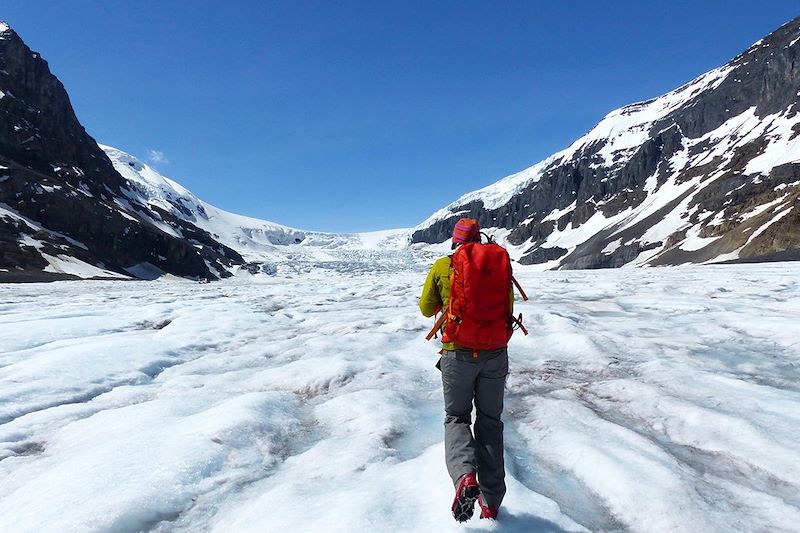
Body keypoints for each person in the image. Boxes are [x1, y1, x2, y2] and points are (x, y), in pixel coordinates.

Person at [419, 218, 510, 522]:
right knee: (490, 421)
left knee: (457, 417)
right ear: (480, 238)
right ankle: (491, 503)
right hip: (495, 354)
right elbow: (506, 307)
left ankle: (465, 479)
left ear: (453, 241)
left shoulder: (444, 266)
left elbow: (424, 307)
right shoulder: (496, 264)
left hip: (458, 354)